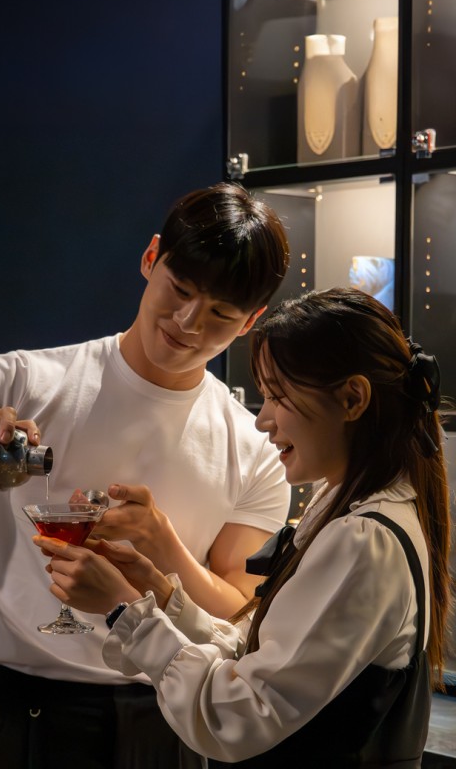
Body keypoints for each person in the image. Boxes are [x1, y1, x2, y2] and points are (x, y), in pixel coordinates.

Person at [0, 182, 292, 769]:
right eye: (181, 289)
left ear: (251, 322)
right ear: (151, 258)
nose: (189, 322)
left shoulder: (255, 446)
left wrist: (163, 543)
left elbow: (239, 614)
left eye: (220, 313)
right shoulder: (21, 382)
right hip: (27, 712)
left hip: (171, 715)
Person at [35, 287, 451, 767]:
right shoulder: (349, 509)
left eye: (278, 396)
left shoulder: (364, 539)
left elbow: (238, 715)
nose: (263, 420)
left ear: (352, 398)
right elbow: (259, 655)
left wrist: (123, 610)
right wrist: (160, 595)